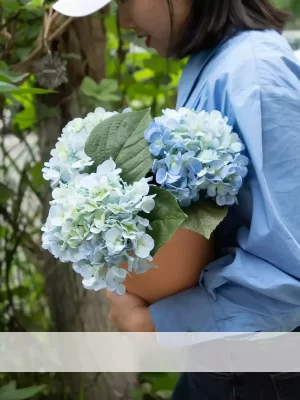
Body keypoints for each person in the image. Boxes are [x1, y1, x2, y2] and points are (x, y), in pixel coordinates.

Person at [53, 0, 300, 398]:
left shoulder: (254, 74)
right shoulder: (214, 64)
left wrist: (156, 325)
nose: (125, 21)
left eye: (125, 1)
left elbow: (291, 269)